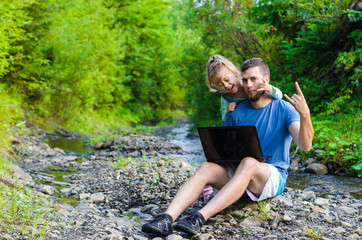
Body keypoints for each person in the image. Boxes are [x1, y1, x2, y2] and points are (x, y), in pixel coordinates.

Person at [141, 57, 314, 237]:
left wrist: (305, 114)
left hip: (269, 178)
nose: (248, 85)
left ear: (266, 80)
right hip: (238, 179)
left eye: (254, 79)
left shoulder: (284, 108)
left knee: (249, 162)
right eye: (245, 80)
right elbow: (225, 152)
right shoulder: (235, 111)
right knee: (207, 167)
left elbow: (305, 145)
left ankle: (199, 218)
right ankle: (166, 219)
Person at [201, 55, 283, 202]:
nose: (225, 86)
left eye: (227, 80)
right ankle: (209, 183)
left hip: (253, 125)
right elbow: (224, 119)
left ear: (235, 73)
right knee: (220, 154)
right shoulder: (225, 98)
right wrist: (227, 110)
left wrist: (270, 88)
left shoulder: (248, 87)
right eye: (220, 85)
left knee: (250, 157)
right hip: (237, 128)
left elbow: (278, 96)